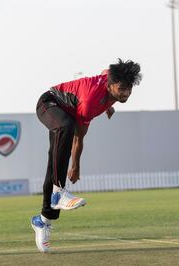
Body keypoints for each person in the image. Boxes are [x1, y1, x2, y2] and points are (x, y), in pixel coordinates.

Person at [31, 58, 142, 253]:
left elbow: (104, 71)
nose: (126, 93)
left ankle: (42, 220)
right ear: (110, 85)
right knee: (67, 127)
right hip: (49, 103)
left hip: (66, 113)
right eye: (122, 88)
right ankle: (59, 193)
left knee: (54, 164)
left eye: (130, 88)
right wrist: (76, 166)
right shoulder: (90, 102)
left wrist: (108, 105)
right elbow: (78, 138)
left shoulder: (111, 79)